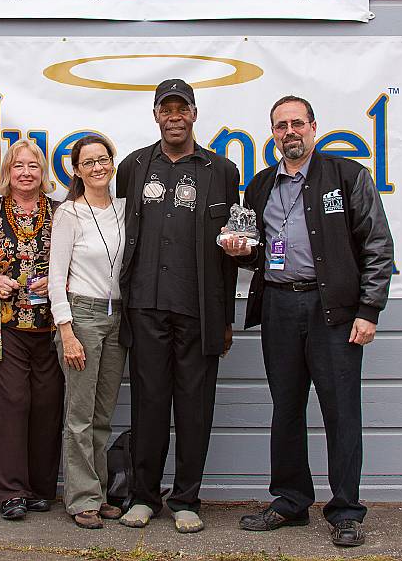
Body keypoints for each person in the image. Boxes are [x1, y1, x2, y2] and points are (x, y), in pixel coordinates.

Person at [222, 95, 394, 548]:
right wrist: (245, 253)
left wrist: (368, 309)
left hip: (333, 311)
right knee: (286, 409)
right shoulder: (260, 186)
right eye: (281, 126)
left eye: (298, 123)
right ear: (272, 134)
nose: (290, 132)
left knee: (341, 412)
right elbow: (260, 249)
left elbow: (377, 245)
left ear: (314, 127)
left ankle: (346, 511)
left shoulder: (347, 175)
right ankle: (291, 502)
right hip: (279, 306)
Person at [117, 79, 239, 534]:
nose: (173, 117)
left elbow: (231, 252)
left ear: (193, 113)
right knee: (149, 404)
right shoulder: (132, 167)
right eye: (165, 109)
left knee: (195, 407)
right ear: (155, 115)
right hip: (145, 307)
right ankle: (144, 497)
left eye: (181, 108)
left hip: (199, 310)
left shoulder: (221, 170)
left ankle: (187, 498)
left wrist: (225, 318)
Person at [0, 139, 64, 520]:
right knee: (8, 406)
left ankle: (39, 489)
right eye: (17, 166)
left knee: (46, 405)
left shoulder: (63, 214)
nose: (25, 173)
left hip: (52, 327)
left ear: (43, 174)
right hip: (4, 327)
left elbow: (80, 261)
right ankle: (8, 492)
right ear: (7, 172)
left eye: (33, 166)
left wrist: (57, 280)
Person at [49, 135, 126, 529]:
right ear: (77, 170)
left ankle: (99, 492)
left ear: (113, 163)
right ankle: (81, 499)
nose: (97, 167)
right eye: (88, 162)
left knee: (102, 414)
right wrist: (67, 332)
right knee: (79, 415)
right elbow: (55, 279)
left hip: (118, 320)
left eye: (103, 159)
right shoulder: (69, 215)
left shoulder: (125, 209)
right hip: (82, 316)